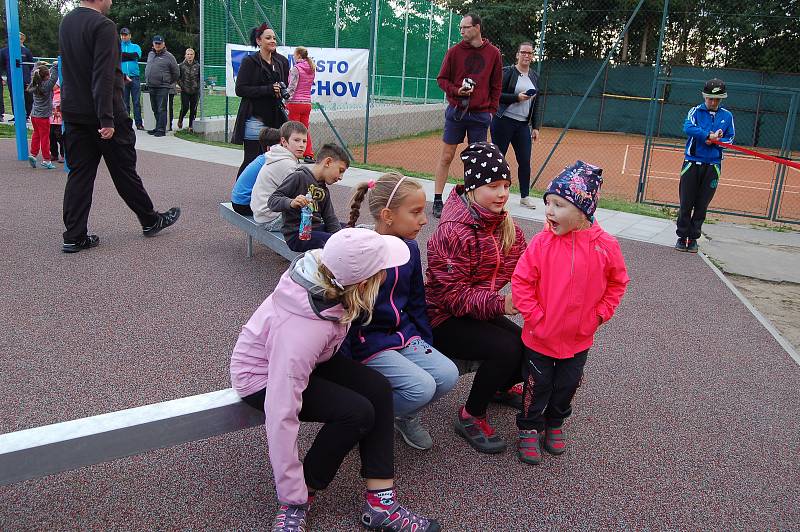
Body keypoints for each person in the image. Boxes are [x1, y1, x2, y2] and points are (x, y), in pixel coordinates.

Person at [230, 228, 441, 532]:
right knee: (356, 412)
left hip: (313, 359)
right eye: (383, 271)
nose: (387, 275)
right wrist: (291, 491)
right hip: (262, 377)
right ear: (365, 283)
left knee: (379, 388)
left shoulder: (331, 274)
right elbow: (280, 413)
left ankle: (380, 503)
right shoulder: (301, 332)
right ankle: (298, 501)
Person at [511, 161, 629, 465]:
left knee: (567, 384)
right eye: (547, 202)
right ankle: (528, 427)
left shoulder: (606, 246)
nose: (549, 211)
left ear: (583, 210)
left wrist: (599, 315)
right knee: (537, 384)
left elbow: (618, 283)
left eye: (559, 204)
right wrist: (535, 316)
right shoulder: (542, 243)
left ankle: (555, 422)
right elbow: (522, 280)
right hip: (540, 335)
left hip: (578, 339)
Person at [343, 173, 460, 451]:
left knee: (447, 374)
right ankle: (364, 418)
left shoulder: (410, 247)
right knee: (421, 387)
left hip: (402, 335)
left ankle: (402, 415)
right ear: (388, 215)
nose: (423, 220)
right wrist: (346, 367)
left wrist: (424, 341)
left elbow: (416, 300)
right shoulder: (360, 250)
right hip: (368, 342)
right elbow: (344, 311)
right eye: (415, 212)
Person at [425, 142, 527, 454]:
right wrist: (503, 304)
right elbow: (454, 297)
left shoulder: (501, 222)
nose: (502, 193)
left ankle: (498, 388)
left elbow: (529, 262)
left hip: (476, 309)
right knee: (506, 349)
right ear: (472, 188)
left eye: (506, 186)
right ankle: (471, 415)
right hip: (442, 317)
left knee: (528, 343)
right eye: (493, 186)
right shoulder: (454, 231)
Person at [59, 0, 180, 253]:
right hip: (105, 114)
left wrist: (117, 75)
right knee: (124, 170)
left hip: (75, 112)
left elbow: (79, 66)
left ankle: (74, 235)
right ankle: (149, 219)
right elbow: (101, 73)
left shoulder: (67, 22)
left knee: (79, 175)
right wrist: (106, 118)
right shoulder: (103, 25)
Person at [432, 14, 502, 219]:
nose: (462, 31)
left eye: (466, 27)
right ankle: (438, 200)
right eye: (460, 28)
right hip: (456, 112)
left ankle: (472, 203)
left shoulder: (494, 54)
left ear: (477, 27)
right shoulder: (453, 52)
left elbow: (496, 85)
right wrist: (456, 91)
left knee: (476, 161)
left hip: (480, 115)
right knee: (446, 156)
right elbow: (441, 79)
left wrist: (491, 112)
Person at [676, 78, 735, 253]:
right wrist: (707, 136)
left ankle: (693, 238)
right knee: (686, 202)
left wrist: (718, 140)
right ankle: (682, 236)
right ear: (704, 97)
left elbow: (730, 138)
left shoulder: (727, 116)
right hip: (692, 163)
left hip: (713, 166)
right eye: (710, 98)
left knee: (702, 204)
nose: (713, 102)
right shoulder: (695, 111)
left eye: (717, 99)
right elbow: (688, 128)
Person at [231, 23, 290, 176]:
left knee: (272, 159)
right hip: (254, 117)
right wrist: (268, 89)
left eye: (274, 38)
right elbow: (241, 89)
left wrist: (280, 91)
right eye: (268, 38)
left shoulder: (281, 62)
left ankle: (262, 193)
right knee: (252, 160)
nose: (273, 41)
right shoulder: (250, 62)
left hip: (275, 117)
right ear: (259, 41)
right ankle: (240, 195)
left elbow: (286, 85)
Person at [268, 143, 348, 252]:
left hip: (316, 230)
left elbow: (330, 218)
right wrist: (291, 202)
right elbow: (272, 201)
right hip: (298, 236)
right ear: (328, 162)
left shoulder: (324, 190)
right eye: (341, 170)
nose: (341, 177)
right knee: (337, 243)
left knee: (349, 231)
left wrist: (342, 236)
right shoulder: (298, 177)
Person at [491, 41, 542, 210]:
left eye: (530, 53)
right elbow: (496, 95)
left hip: (522, 126)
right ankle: (493, 194)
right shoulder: (507, 72)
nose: (527, 55)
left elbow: (537, 103)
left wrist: (535, 127)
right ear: (517, 54)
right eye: (524, 52)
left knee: (525, 161)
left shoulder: (534, 76)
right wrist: (516, 97)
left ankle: (525, 197)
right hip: (503, 121)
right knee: (498, 159)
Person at [250, 120, 307, 225]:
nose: (301, 145)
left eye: (304, 141)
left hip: (261, 213)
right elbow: (297, 195)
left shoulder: (278, 156)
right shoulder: (287, 164)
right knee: (313, 219)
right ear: (284, 142)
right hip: (270, 218)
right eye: (297, 140)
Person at [230, 127, 281, 216]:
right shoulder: (269, 161)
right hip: (244, 204)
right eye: (282, 146)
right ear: (269, 148)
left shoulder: (262, 158)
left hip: (238, 201)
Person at [144, 35, 179, 137]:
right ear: (153, 44)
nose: (157, 45)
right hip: (151, 85)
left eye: (159, 43)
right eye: (156, 43)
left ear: (163, 44)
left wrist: (167, 82)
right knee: (154, 108)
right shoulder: (150, 54)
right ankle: (157, 127)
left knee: (161, 108)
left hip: (163, 86)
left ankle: (161, 129)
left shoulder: (169, 56)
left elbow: (176, 73)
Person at [26, 62, 59, 169]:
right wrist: (55, 65)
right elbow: (54, 77)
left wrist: (37, 64)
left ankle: (33, 154)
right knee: (45, 138)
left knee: (36, 134)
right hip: (43, 117)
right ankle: (46, 160)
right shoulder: (46, 86)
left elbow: (34, 72)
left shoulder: (34, 83)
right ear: (46, 76)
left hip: (34, 115)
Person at [286, 46, 315, 159]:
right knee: (304, 130)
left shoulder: (296, 68)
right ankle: (308, 154)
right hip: (307, 103)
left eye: (294, 54)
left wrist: (286, 99)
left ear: (298, 55)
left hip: (295, 103)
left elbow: (292, 86)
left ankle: (292, 153)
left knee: (292, 130)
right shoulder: (312, 68)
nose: (293, 56)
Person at [0, 32, 35, 120]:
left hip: (25, 78)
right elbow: (2, 64)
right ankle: (17, 116)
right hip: (12, 79)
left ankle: (27, 115)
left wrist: (28, 74)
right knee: (14, 97)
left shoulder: (25, 51)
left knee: (28, 97)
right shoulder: (4, 51)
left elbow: (31, 64)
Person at [119, 27, 144, 130]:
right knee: (124, 102)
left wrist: (123, 56)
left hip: (134, 77)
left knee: (136, 101)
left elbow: (136, 56)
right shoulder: (117, 46)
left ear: (130, 35)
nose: (124, 36)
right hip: (122, 77)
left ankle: (139, 123)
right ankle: (126, 123)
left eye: (126, 35)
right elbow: (117, 56)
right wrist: (126, 56)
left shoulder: (135, 46)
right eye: (122, 35)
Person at [177, 48, 200, 131]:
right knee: (185, 107)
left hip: (195, 91)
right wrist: (182, 86)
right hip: (185, 90)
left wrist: (197, 86)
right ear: (185, 55)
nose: (189, 56)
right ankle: (180, 119)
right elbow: (178, 78)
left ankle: (191, 126)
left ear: (194, 56)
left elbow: (200, 78)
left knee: (193, 109)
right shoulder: (181, 66)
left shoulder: (198, 66)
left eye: (191, 54)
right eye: (188, 54)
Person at [50, 82, 65, 163]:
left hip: (59, 121)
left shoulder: (61, 93)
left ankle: (63, 155)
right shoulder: (51, 94)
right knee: (51, 137)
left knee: (60, 137)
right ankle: (54, 154)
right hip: (51, 120)